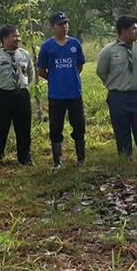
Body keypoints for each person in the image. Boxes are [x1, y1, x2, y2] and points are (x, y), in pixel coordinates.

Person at [97, 15, 137, 162]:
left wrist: (133, 82)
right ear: (123, 31)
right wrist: (115, 84)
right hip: (117, 96)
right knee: (122, 130)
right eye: (133, 29)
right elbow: (101, 72)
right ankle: (126, 159)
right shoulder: (109, 51)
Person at [37, 12, 87, 169]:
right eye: (60, 24)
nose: (64, 26)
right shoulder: (47, 47)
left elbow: (78, 66)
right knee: (56, 128)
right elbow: (41, 71)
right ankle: (57, 161)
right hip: (56, 95)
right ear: (52, 27)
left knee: (79, 126)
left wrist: (69, 77)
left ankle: (81, 159)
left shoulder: (75, 44)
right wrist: (55, 79)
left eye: (66, 23)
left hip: (74, 93)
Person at [0, 25, 35, 165]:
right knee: (0, 127)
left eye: (18, 36)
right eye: (14, 36)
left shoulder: (25, 54)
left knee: (24, 127)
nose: (18, 39)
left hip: (21, 94)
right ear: (4, 39)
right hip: (2, 96)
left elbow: (30, 73)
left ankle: (25, 157)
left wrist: (22, 86)